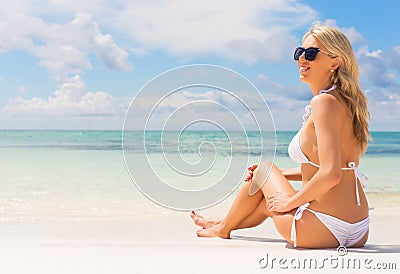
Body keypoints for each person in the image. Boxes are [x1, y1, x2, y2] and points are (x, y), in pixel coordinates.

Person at [190, 23, 371, 248]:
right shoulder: (347, 104)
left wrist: (290, 202)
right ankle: (223, 224)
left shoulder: (323, 102)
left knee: (266, 175)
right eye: (299, 52)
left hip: (323, 228)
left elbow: (331, 175)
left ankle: (223, 228)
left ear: (335, 62)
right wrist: (282, 173)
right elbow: (335, 168)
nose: (302, 58)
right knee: (265, 180)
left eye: (312, 53)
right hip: (359, 229)